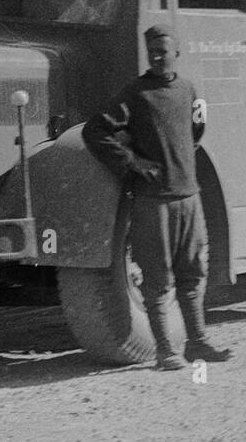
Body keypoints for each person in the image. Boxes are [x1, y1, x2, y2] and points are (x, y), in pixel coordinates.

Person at [82, 25, 233, 370]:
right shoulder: (135, 93)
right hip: (154, 203)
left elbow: (195, 132)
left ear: (176, 53)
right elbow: (96, 131)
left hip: (188, 198)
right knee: (157, 279)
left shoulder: (189, 89)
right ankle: (166, 351)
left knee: (193, 274)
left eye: (164, 51)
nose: (157, 57)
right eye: (152, 51)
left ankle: (197, 342)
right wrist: (133, 163)